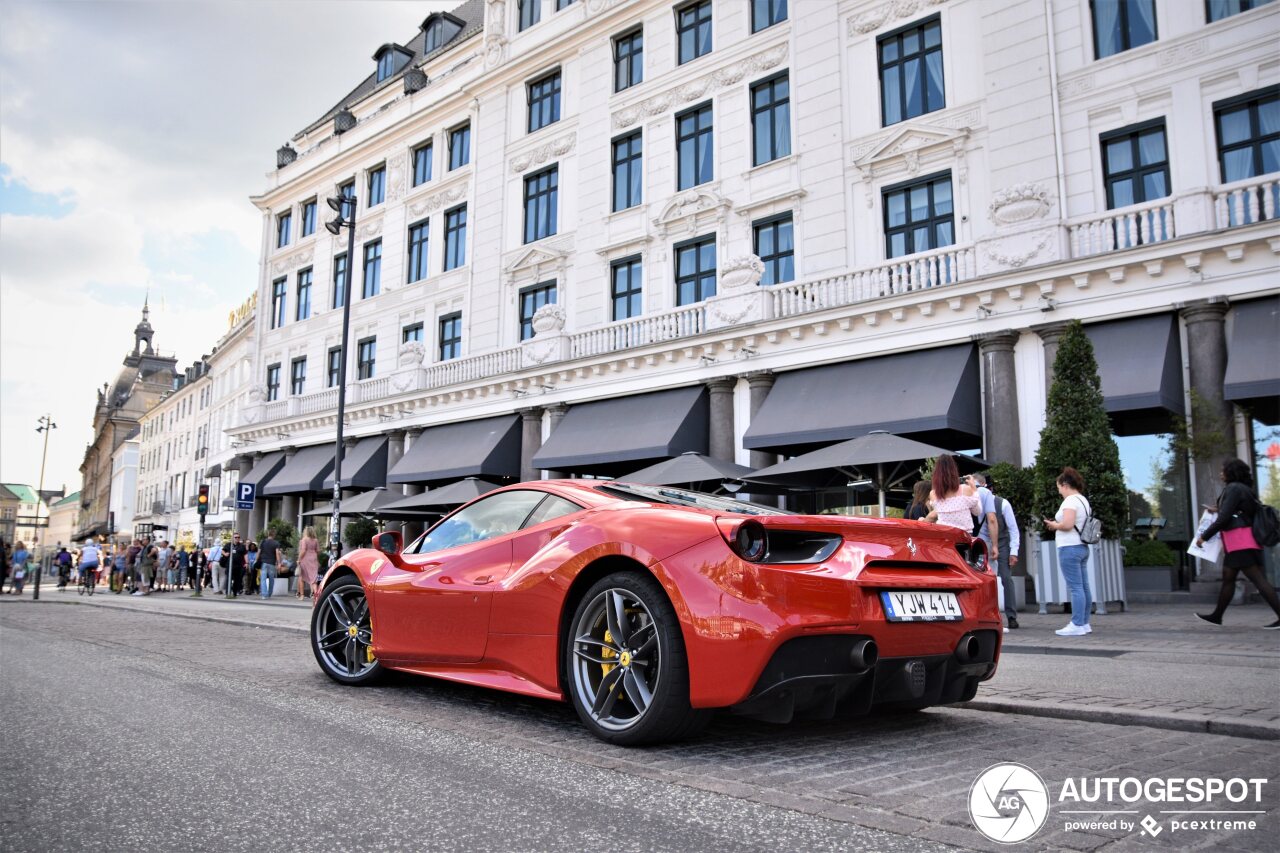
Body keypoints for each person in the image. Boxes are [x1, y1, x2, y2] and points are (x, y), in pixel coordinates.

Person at [1194, 458, 1280, 629]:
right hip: (1243, 540)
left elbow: (1225, 518)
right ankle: (1217, 616)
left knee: (1258, 580)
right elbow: (1237, 511)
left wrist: (1204, 536)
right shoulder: (1245, 489)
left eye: (1223, 470)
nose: (1220, 473)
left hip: (1240, 541)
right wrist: (1218, 508)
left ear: (1231, 472)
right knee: (1228, 578)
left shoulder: (1233, 488)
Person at [1042, 467, 1093, 637]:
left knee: (1076, 587)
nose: (1059, 491)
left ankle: (1077, 623)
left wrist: (1054, 525)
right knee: (1084, 586)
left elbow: (1068, 524)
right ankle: (1084, 623)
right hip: (1082, 546)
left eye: (1058, 487)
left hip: (1069, 547)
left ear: (1065, 485)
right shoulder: (1083, 500)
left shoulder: (1070, 501)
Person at [986, 478, 1021, 631]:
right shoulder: (975, 503)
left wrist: (1014, 551)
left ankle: (1011, 616)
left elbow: (1013, 528)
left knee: (1006, 578)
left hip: (1002, 543)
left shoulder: (1002, 503)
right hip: (983, 543)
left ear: (990, 489)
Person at [923, 454, 980, 532]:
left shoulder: (933, 494)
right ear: (954, 470)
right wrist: (974, 489)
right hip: (964, 537)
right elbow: (977, 512)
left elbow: (937, 513)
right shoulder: (965, 489)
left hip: (944, 536)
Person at [965, 473, 1000, 566]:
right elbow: (991, 519)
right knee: (988, 572)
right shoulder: (985, 492)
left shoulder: (960, 491)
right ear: (983, 483)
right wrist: (995, 545)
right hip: (983, 541)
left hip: (963, 541)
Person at [296, 526, 321, 600]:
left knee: (301, 577)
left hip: (305, 559)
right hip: (314, 559)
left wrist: (299, 559)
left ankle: (302, 595)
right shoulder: (315, 540)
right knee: (314, 579)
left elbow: (303, 550)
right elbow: (318, 551)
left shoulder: (304, 540)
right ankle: (316, 596)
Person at [257, 532, 280, 600]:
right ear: (274, 535)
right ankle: (269, 593)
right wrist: (279, 563)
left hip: (264, 562)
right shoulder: (276, 543)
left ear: (268, 535)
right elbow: (277, 553)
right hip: (272, 563)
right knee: (271, 579)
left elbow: (259, 552)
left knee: (263, 579)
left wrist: (256, 560)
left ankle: (264, 594)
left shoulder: (263, 542)